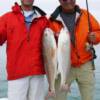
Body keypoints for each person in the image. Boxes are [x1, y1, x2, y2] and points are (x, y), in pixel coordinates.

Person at [48, 0, 100, 100]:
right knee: (58, 98)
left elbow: (98, 31)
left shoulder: (85, 14)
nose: (68, 1)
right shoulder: (52, 20)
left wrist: (95, 37)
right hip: (63, 66)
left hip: (85, 64)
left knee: (88, 97)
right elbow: (49, 45)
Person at [0, 0, 48, 100]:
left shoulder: (43, 20)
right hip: (17, 72)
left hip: (37, 72)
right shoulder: (7, 18)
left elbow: (51, 44)